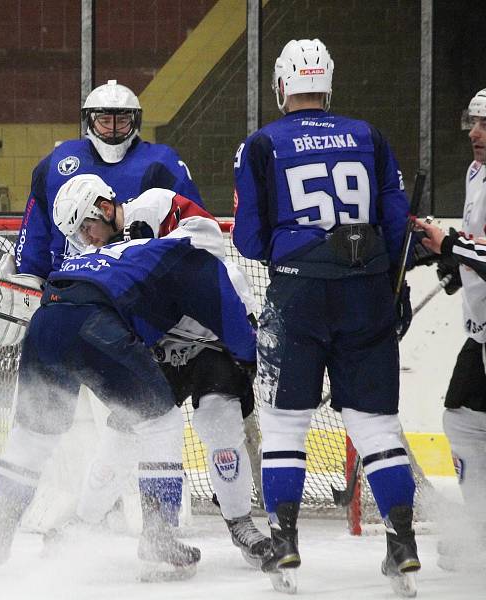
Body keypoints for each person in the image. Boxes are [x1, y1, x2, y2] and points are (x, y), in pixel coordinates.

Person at [233, 39, 419, 595]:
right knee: (376, 426)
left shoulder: (262, 143)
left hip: (298, 294)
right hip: (366, 292)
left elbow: (247, 238)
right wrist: (387, 284)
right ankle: (403, 544)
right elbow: (395, 220)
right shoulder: (370, 136)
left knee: (288, 424)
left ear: (282, 84)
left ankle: (285, 540)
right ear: (328, 83)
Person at [0, 234, 257, 581]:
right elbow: (234, 323)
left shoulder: (129, 252)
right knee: (161, 422)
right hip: (94, 323)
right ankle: (159, 539)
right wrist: (247, 363)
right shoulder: (196, 259)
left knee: (34, 434)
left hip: (46, 321)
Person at [50, 174, 270, 566]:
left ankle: (241, 524)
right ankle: (95, 523)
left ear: (104, 207)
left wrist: (142, 246)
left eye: (88, 227)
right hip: (162, 345)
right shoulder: (104, 255)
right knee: (127, 428)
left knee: (219, 423)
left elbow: (207, 245)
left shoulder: (154, 205)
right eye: (80, 235)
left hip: (215, 337)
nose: (89, 239)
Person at [0, 79, 202, 350]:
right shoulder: (57, 163)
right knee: (47, 379)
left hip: (132, 294)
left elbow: (192, 227)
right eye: (104, 121)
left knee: (124, 383)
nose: (113, 130)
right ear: (89, 121)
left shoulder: (161, 163)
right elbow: (36, 228)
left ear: (135, 122)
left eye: (121, 121)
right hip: (65, 291)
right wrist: (28, 278)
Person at [412, 88, 486, 571]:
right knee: (461, 419)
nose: (476, 134)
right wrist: (448, 257)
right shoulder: (477, 172)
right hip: (482, 333)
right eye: (474, 123)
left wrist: (451, 245)